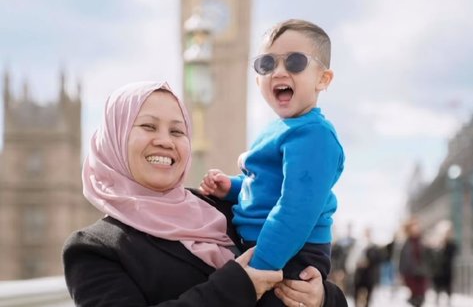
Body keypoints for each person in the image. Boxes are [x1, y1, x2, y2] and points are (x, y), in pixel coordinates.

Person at [63, 81, 348, 307]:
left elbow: (305, 272)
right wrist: (239, 285)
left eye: (177, 131)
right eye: (148, 126)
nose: (164, 141)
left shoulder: (221, 207)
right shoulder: (94, 250)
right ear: (114, 139)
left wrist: (320, 298)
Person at [200, 19, 345, 305]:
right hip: (268, 246)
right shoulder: (278, 129)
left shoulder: (314, 135)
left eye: (295, 62)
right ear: (258, 80)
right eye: (267, 64)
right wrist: (231, 187)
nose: (279, 71)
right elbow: (266, 184)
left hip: (288, 255)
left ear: (323, 79)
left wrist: (258, 269)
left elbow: (295, 210)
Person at [398, 217, 432, 307]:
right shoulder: (406, 242)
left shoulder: (422, 241)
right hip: (411, 273)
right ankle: (412, 300)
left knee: (421, 297)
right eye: (414, 227)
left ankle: (412, 300)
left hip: (422, 272)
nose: (416, 229)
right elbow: (402, 259)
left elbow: (428, 256)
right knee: (416, 295)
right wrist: (401, 273)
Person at [431, 221, 457, 306]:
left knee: (448, 286)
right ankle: (437, 300)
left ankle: (448, 301)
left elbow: (453, 253)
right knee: (438, 286)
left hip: (447, 269)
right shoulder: (437, 244)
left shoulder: (451, 244)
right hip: (438, 269)